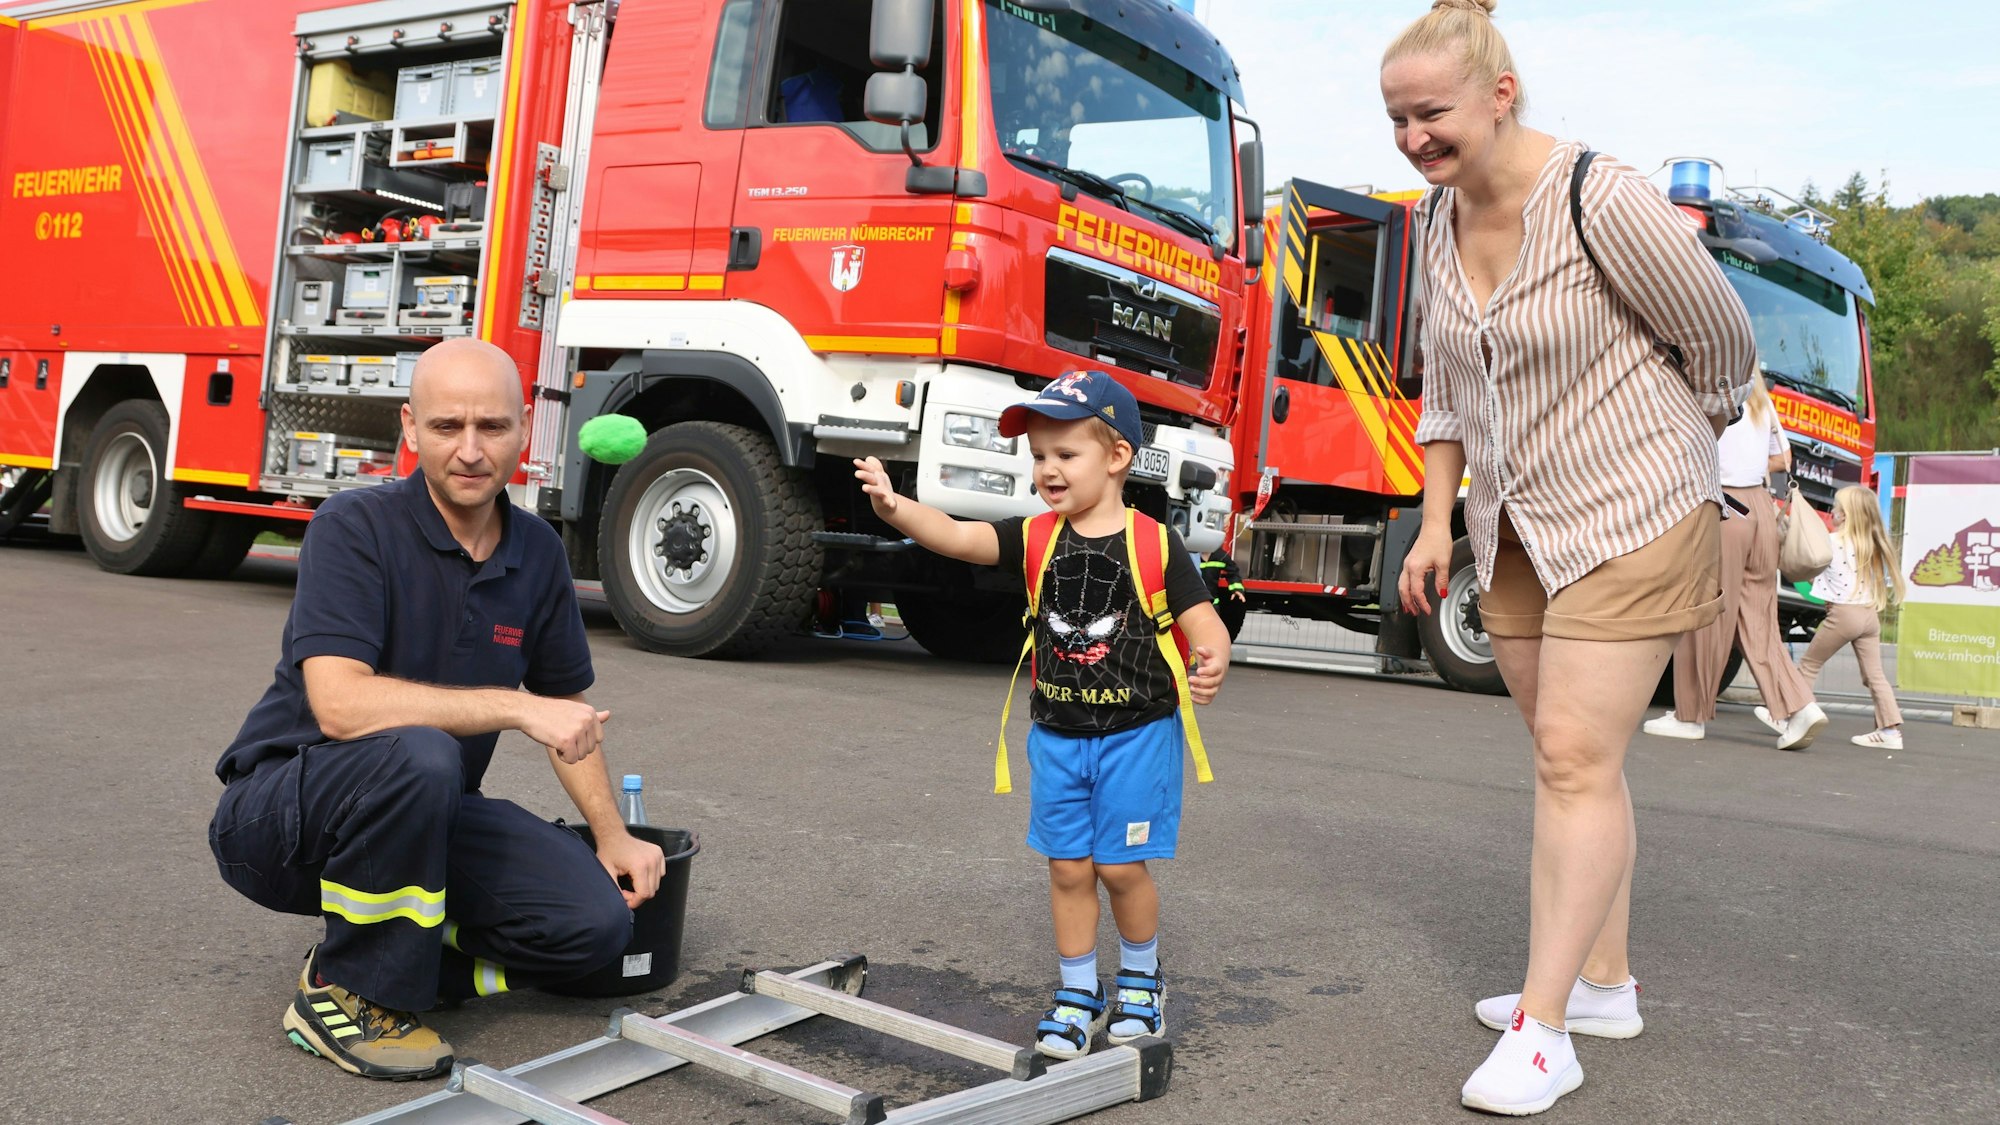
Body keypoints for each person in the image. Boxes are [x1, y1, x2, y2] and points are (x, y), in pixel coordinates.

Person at [1384, 0, 1756, 1113]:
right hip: (1512, 530)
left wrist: (1659, 436)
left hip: (1633, 512)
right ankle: (1601, 983)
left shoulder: (1603, 195)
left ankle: (1546, 1034)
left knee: (1570, 763)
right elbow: (1442, 392)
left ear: (1499, 95)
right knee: (1572, 764)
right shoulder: (1431, 225)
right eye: (1397, 119)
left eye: (1431, 113)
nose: (1412, 137)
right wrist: (1437, 524)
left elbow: (1721, 338)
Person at [207, 338, 666, 1080]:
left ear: (525, 427)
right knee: (422, 751)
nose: (472, 450)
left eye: (493, 427)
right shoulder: (354, 528)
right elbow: (339, 703)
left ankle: (404, 957)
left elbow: (566, 713)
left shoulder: (539, 552)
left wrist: (612, 836)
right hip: (280, 815)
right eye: (448, 427)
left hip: (425, 809)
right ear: (410, 428)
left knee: (596, 925)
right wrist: (514, 709)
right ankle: (347, 991)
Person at [851, 369, 1230, 1060]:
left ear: (1116, 457)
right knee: (1067, 868)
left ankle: (1142, 981)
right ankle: (1078, 991)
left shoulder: (1155, 543)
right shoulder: (1033, 538)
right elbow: (959, 536)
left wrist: (1211, 656)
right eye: (1038, 455)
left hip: (1138, 734)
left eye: (1065, 453)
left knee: (1120, 869)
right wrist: (896, 508)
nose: (1047, 468)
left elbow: (1204, 621)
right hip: (1056, 735)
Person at [1643, 376, 1829, 748]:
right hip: (1761, 507)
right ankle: (1799, 706)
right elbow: (1783, 459)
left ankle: (1690, 715)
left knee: (1704, 611)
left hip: (1726, 505)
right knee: (1759, 620)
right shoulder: (1762, 399)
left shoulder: (1711, 392)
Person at [1771, 486, 1906, 748]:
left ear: (1844, 516)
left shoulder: (1832, 542)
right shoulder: (1872, 544)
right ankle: (1890, 732)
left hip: (1843, 615)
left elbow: (1806, 556)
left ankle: (1792, 717)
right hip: (1869, 617)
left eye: (1834, 508)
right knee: (1874, 676)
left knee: (1809, 665)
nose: (1831, 512)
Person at [1201, 544, 1249, 638]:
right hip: (1194, 603)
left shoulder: (1220, 556)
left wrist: (1236, 589)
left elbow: (1233, 572)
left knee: (1211, 633)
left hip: (1213, 604)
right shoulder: (1190, 555)